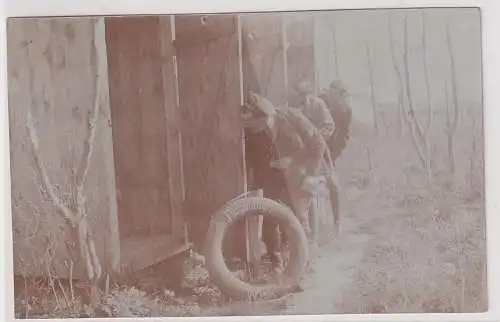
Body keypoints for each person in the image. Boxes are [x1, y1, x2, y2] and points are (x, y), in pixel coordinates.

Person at [241, 91, 328, 245]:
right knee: (270, 213)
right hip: (273, 176)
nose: (256, 130)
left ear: (267, 117)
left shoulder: (292, 117)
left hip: (301, 172)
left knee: (299, 216)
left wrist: (304, 169)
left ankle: (305, 254)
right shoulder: (253, 133)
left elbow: (318, 143)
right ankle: (277, 260)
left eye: (258, 125)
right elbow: (253, 159)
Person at [318, 80, 353, 164]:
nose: (332, 97)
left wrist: (334, 155)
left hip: (332, 147)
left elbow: (344, 136)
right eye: (330, 94)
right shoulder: (318, 103)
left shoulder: (346, 111)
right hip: (314, 144)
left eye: (336, 95)